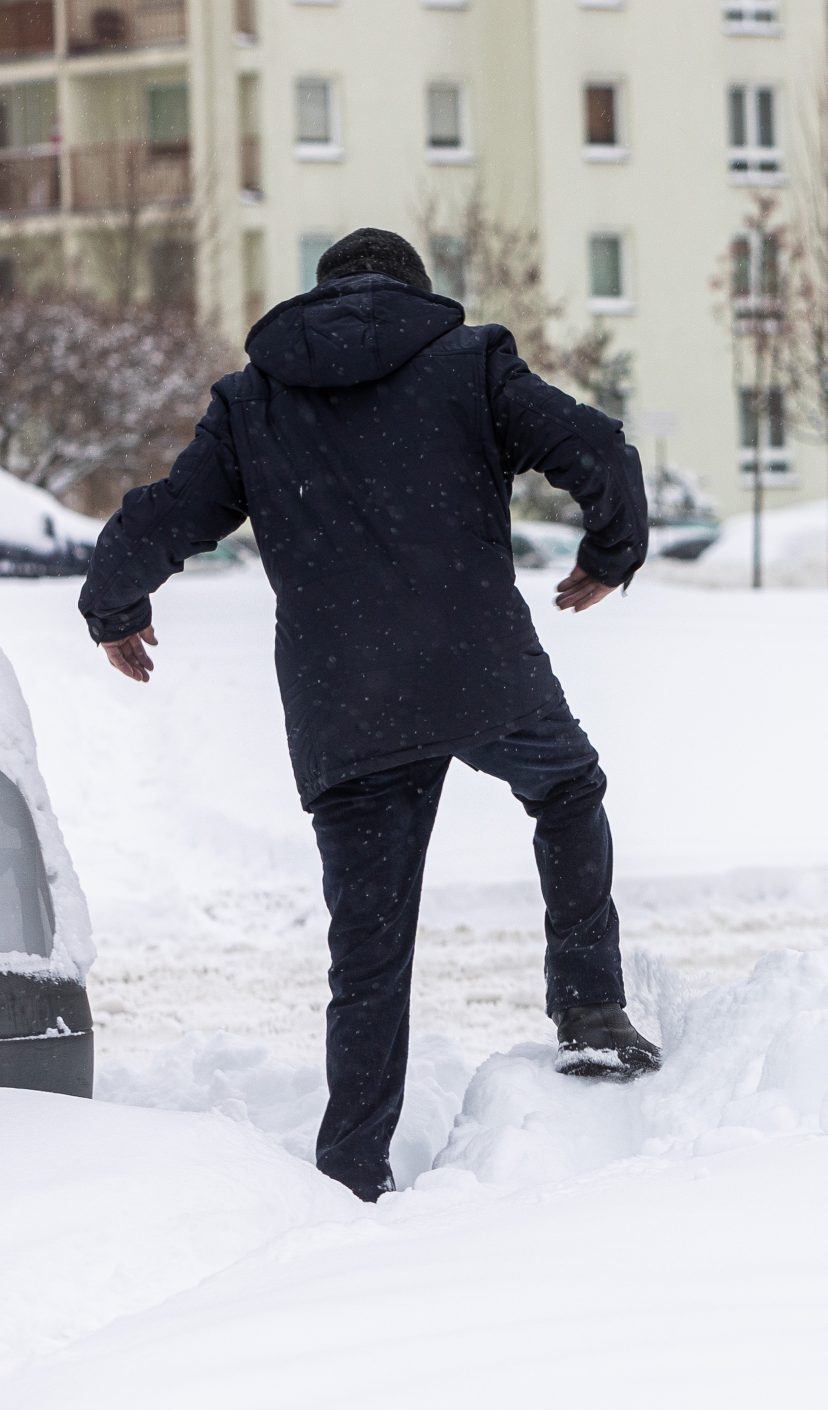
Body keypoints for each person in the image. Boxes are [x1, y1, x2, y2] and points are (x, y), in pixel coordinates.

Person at [79, 227, 661, 1203]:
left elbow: (167, 512)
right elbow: (595, 448)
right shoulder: (468, 363)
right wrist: (611, 552)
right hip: (475, 667)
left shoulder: (254, 399)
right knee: (566, 787)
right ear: (412, 292)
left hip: (342, 697)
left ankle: (349, 1180)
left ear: (322, 297)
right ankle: (592, 1008)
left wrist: (114, 607)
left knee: (369, 957)